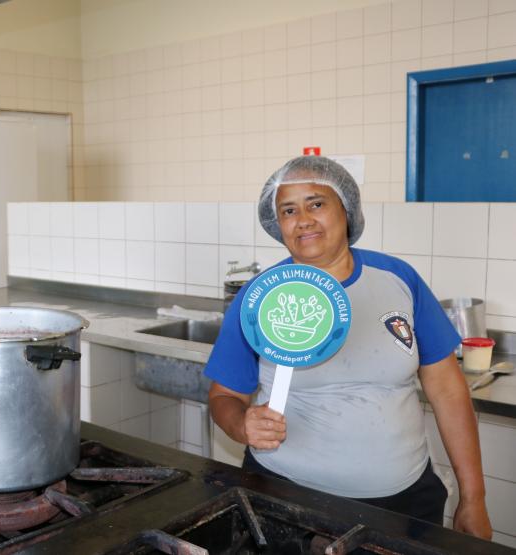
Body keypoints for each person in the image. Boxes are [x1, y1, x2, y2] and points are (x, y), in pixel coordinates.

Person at [204, 156, 492, 539]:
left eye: (316, 203)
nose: (303, 219)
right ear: (278, 224)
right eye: (288, 210)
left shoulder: (398, 279)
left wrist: (473, 497)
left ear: (347, 210)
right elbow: (224, 395)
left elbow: (449, 391)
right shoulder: (262, 297)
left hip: (403, 503)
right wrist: (241, 424)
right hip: (284, 497)